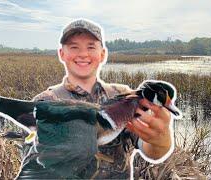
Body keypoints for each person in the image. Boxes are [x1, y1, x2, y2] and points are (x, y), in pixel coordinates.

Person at [31, 19, 173, 178]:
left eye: (91, 47)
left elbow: (152, 151)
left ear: (103, 54)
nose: (83, 54)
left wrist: (161, 139)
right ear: (62, 54)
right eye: (74, 47)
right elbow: (36, 160)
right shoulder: (46, 101)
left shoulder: (124, 96)